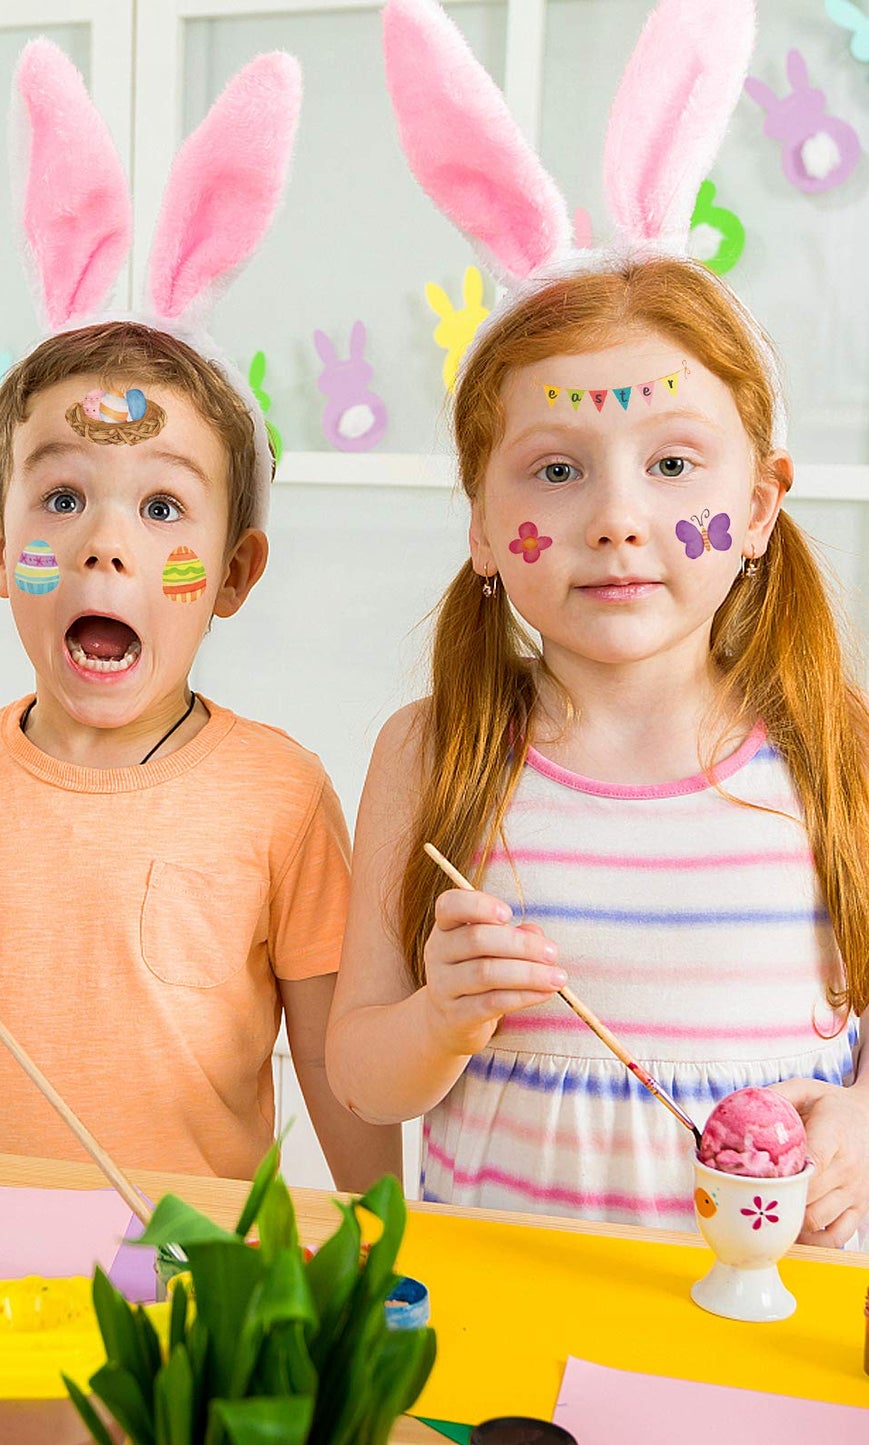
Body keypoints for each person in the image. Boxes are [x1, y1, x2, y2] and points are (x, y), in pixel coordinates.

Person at [327, 0, 869, 1243]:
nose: (617, 518)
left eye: (673, 465)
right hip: (508, 1343)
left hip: (759, 1341)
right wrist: (438, 1020)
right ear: (477, 520)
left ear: (756, 504)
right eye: (556, 470)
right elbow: (361, 1071)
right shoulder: (430, 750)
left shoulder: (836, 744)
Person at [0, 39, 400, 1187]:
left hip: (186, 1283)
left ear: (233, 573)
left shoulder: (280, 795)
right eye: (63, 496)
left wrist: (380, 1243)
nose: (103, 540)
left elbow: (331, 1055)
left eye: (161, 506)